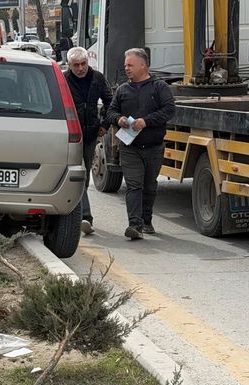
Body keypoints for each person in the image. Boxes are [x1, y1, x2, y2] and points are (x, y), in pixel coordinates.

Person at [105, 48, 176, 240]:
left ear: (143, 65)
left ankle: (146, 220)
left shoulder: (159, 87)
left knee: (149, 185)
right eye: (126, 65)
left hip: (153, 147)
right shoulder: (122, 90)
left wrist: (146, 121)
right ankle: (134, 225)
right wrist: (118, 119)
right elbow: (110, 112)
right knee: (134, 185)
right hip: (130, 148)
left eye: (130, 65)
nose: (126, 68)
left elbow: (169, 110)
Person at [64, 46, 112, 235]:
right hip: (70, 136)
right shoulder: (64, 80)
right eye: (76, 65)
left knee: (84, 178)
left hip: (91, 134)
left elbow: (111, 101)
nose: (80, 68)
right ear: (69, 65)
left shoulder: (97, 78)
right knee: (78, 174)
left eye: (83, 64)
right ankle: (85, 216)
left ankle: (80, 215)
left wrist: (104, 124)